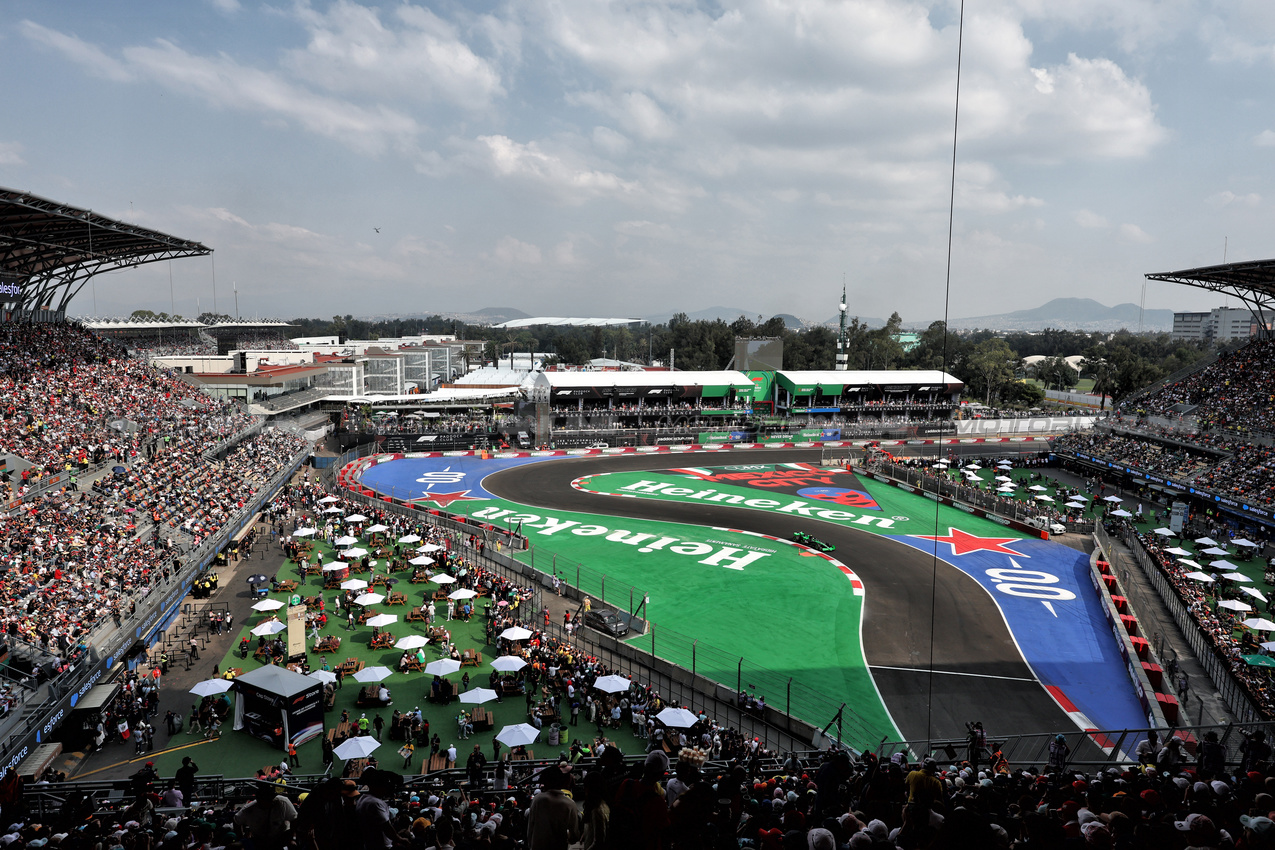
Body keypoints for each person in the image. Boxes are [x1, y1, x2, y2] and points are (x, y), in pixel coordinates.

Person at [527, 762, 582, 850]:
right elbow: (574, 836)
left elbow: (530, 827)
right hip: (559, 846)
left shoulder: (537, 800)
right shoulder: (569, 804)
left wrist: (531, 844)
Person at [355, 768, 407, 850]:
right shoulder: (375, 803)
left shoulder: (362, 799)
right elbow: (387, 828)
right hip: (381, 846)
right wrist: (401, 839)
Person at [234, 784, 298, 850]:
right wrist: (242, 839)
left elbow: (294, 819)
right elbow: (236, 821)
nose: (271, 802)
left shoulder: (282, 802)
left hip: (280, 838)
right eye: (267, 800)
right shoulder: (249, 809)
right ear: (259, 801)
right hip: (258, 840)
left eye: (271, 799)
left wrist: (291, 837)